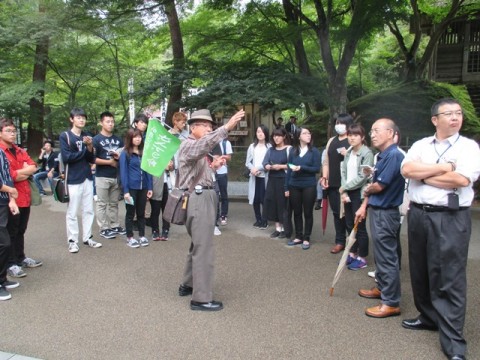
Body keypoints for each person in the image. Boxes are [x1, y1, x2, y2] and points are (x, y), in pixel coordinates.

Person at [400, 98, 480, 360]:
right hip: (419, 215)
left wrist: (423, 175)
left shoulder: (469, 147)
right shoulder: (421, 144)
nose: (455, 118)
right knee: (420, 271)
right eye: (448, 114)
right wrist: (444, 169)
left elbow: (461, 179)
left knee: (450, 278)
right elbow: (407, 169)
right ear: (435, 119)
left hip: (451, 217)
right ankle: (428, 316)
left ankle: (454, 341)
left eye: (458, 113)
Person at [177, 108, 244, 312]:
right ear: (193, 127)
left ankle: (187, 284)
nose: (208, 129)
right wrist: (227, 127)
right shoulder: (189, 145)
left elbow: (198, 170)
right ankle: (201, 298)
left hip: (201, 197)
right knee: (204, 248)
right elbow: (205, 144)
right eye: (205, 126)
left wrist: (213, 166)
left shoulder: (196, 149)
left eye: (210, 126)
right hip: (198, 200)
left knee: (197, 244)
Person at [356, 118, 405, 318]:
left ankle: (391, 302)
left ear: (391, 133)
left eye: (377, 130)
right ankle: (383, 289)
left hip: (386, 212)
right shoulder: (382, 156)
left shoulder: (394, 155)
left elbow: (378, 186)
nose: (372, 134)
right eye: (371, 130)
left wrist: (368, 188)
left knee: (387, 257)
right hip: (378, 210)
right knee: (381, 255)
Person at [0, 118, 42, 277]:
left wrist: (21, 173)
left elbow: (33, 165)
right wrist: (23, 172)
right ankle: (10, 263)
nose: (12, 134)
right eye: (8, 131)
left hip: (24, 195)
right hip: (9, 198)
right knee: (10, 231)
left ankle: (20, 257)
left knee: (21, 229)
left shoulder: (18, 150)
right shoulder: (1, 151)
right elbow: (8, 176)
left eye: (13, 131)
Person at [60, 107, 102, 254]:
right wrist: (85, 150)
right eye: (78, 117)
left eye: (83, 117)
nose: (81, 120)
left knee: (89, 210)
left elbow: (91, 159)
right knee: (72, 211)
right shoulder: (65, 136)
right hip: (72, 178)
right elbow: (67, 157)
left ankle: (88, 237)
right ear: (72, 119)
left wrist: (90, 147)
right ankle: (72, 241)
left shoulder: (87, 136)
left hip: (87, 177)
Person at [339, 124, 374, 270]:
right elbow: (343, 172)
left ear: (362, 137)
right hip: (348, 192)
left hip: (360, 193)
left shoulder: (367, 153)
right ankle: (352, 252)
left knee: (359, 226)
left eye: (355, 135)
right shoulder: (348, 152)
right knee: (348, 223)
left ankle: (362, 256)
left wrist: (345, 187)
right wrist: (344, 191)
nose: (352, 138)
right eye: (350, 135)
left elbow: (363, 176)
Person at [321, 113, 353, 254]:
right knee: (336, 214)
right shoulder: (332, 140)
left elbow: (360, 160)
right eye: (337, 122)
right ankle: (339, 241)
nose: (338, 125)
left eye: (342, 123)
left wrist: (349, 154)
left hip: (349, 185)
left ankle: (352, 242)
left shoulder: (352, 140)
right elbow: (326, 161)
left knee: (348, 214)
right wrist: (325, 177)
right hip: (333, 183)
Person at [285, 126, 321, 250]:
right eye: (305, 133)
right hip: (294, 184)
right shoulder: (293, 151)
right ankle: (298, 236)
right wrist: (286, 187)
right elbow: (289, 169)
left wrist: (301, 168)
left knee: (308, 212)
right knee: (297, 212)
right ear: (298, 136)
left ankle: (306, 237)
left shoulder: (314, 151)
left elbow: (316, 169)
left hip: (308, 185)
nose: (308, 135)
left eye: (309, 133)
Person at [93, 111, 126, 240]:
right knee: (102, 203)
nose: (111, 124)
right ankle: (103, 227)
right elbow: (92, 159)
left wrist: (118, 160)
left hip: (116, 175)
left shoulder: (118, 139)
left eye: (112, 121)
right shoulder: (96, 139)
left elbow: (124, 154)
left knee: (114, 203)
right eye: (108, 121)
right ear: (101, 122)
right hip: (102, 175)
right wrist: (109, 162)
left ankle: (115, 224)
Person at [119, 129, 153, 248]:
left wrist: (150, 187)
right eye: (135, 137)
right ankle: (130, 237)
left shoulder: (144, 152)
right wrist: (126, 191)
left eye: (139, 137)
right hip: (131, 188)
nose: (138, 139)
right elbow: (123, 174)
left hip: (143, 188)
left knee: (141, 213)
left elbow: (148, 171)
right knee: (130, 213)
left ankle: (142, 236)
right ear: (130, 138)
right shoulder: (125, 153)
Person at [263, 127, 291, 239]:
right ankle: (277, 228)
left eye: (279, 135)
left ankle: (285, 228)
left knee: (283, 204)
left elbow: (292, 165)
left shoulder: (289, 149)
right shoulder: (270, 150)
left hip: (284, 179)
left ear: (284, 136)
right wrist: (267, 166)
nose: (276, 138)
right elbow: (264, 162)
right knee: (273, 203)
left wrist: (280, 166)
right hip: (272, 179)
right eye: (274, 136)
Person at [0, 146, 20, 300]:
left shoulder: (1, 152)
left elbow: (7, 176)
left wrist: (12, 198)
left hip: (3, 201)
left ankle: (2, 279)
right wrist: (10, 190)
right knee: (4, 243)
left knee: (5, 241)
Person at [246, 125, 271, 229]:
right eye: (258, 132)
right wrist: (252, 169)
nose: (260, 134)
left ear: (266, 134)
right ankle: (258, 219)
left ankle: (265, 220)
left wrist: (258, 168)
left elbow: (270, 162)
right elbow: (247, 162)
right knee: (255, 199)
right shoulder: (252, 146)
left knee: (264, 199)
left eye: (262, 132)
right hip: (254, 177)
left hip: (265, 176)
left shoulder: (269, 147)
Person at [212, 137, 233, 226]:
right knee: (214, 195)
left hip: (222, 172)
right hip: (212, 172)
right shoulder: (210, 142)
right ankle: (215, 215)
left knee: (223, 194)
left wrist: (223, 157)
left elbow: (229, 157)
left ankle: (223, 215)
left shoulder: (225, 143)